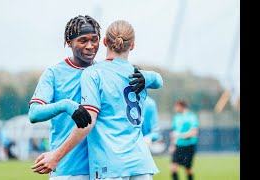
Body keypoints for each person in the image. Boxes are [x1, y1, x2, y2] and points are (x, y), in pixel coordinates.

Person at [32, 20, 164, 180]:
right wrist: (65, 105)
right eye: (82, 40)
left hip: (103, 167)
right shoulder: (54, 73)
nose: (89, 46)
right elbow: (34, 114)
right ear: (69, 42)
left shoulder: (102, 72)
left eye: (93, 39)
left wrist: (149, 76)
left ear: (103, 41)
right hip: (69, 168)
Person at [169, 100, 199, 180]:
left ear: (181, 106)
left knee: (187, 169)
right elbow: (174, 132)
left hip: (189, 146)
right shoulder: (176, 117)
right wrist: (172, 145)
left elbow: (194, 132)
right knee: (173, 168)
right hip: (178, 146)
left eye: (176, 106)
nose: (175, 108)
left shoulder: (191, 117)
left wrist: (179, 135)